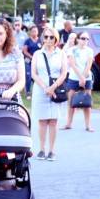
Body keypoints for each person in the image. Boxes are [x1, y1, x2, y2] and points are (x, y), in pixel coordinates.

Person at [31, 27, 67, 160]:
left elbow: (64, 73)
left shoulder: (61, 54)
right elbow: (34, 73)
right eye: (45, 37)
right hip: (40, 90)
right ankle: (41, 149)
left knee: (53, 121)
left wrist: (53, 87)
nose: (48, 40)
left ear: (56, 39)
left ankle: (52, 150)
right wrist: (45, 87)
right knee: (42, 121)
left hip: (56, 90)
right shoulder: (37, 54)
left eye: (51, 37)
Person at [64, 31, 94, 131]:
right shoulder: (71, 50)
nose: (85, 40)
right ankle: (68, 123)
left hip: (87, 78)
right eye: (83, 38)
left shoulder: (90, 50)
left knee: (87, 103)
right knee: (71, 101)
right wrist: (80, 77)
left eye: (87, 39)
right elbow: (72, 64)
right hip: (74, 77)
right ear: (77, 39)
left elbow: (89, 65)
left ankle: (88, 125)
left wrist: (84, 78)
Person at [23, 25, 41, 99]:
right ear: (30, 32)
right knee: (28, 76)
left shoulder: (40, 40)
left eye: (36, 31)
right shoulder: (27, 41)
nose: (35, 33)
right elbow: (24, 51)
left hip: (37, 62)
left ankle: (37, 92)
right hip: (28, 61)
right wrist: (31, 57)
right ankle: (28, 93)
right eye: (33, 31)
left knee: (37, 76)